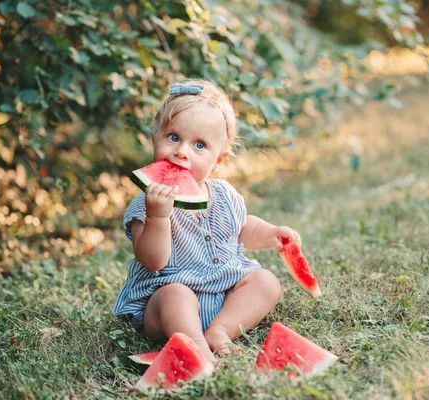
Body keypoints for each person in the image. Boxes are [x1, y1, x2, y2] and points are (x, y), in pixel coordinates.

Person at [113, 79, 302, 362]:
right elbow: (152, 260)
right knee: (176, 294)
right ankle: (196, 346)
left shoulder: (224, 194)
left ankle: (219, 330)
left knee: (267, 282)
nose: (182, 151)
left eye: (199, 145)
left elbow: (241, 227)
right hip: (165, 307)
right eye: (173, 137)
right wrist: (158, 216)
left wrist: (270, 233)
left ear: (219, 159)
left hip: (224, 293)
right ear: (155, 139)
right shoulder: (146, 203)